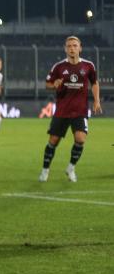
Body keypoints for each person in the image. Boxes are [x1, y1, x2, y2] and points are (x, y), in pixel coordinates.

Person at [39, 36, 102, 182]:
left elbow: (94, 83)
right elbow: (47, 84)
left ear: (80, 48)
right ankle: (45, 169)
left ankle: (71, 168)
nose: (72, 48)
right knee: (53, 141)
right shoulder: (59, 67)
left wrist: (97, 100)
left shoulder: (88, 66)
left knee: (80, 139)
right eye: (69, 46)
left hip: (80, 111)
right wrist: (54, 84)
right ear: (65, 49)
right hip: (62, 111)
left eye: (75, 45)